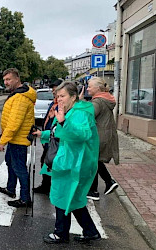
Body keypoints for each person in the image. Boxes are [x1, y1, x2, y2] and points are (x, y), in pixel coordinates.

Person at [33, 81, 101, 244]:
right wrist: (42, 134)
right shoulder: (70, 110)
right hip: (68, 161)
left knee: (63, 196)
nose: (59, 99)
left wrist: (63, 122)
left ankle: (60, 234)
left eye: (62, 96)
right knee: (74, 198)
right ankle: (90, 231)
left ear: (73, 96)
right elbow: (59, 132)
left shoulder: (80, 113)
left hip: (75, 163)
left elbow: (82, 134)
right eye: (57, 96)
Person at [0, 68, 37, 208]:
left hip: (18, 140)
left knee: (20, 168)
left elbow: (14, 123)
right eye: (4, 80)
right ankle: (10, 188)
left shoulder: (20, 97)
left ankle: (25, 198)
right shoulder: (17, 94)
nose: (6, 82)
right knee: (10, 163)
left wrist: (2, 141)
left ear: (17, 79)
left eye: (9, 79)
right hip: (15, 139)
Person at [80, 77, 119, 200]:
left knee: (93, 161)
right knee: (95, 161)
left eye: (90, 86)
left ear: (97, 88)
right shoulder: (105, 98)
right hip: (105, 134)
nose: (87, 88)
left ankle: (94, 190)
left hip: (98, 136)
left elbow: (88, 115)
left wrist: (80, 103)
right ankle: (106, 183)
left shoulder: (98, 101)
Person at [33, 79, 62, 195]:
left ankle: (49, 187)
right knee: (45, 161)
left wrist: (44, 134)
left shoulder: (61, 107)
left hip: (53, 140)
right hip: (48, 138)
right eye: (53, 91)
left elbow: (57, 128)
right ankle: (46, 186)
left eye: (56, 91)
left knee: (48, 162)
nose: (53, 93)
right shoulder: (53, 103)